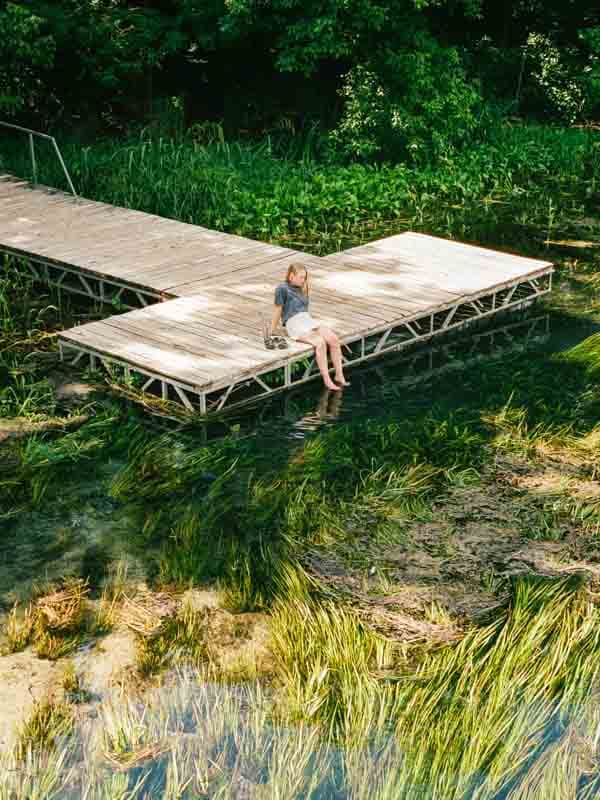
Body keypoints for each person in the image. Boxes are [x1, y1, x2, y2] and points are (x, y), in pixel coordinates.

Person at [270, 262, 349, 391]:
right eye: (301, 277)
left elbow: (303, 308)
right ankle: (327, 379)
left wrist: (311, 325)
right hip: (293, 322)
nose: (304, 280)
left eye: (305, 277)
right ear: (291, 276)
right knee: (320, 343)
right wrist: (272, 330)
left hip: (307, 319)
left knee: (333, 339)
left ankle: (339, 375)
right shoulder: (282, 288)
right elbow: (278, 309)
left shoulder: (303, 287)